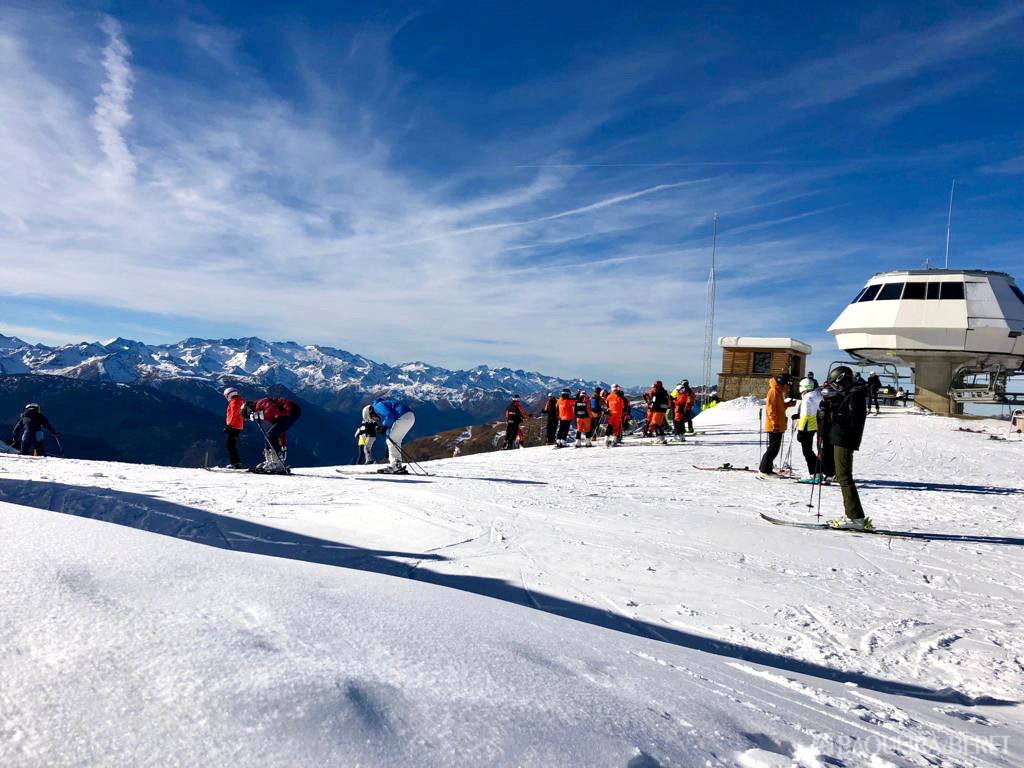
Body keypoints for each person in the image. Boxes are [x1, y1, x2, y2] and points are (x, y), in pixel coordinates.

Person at [819, 365, 872, 530]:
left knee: (844, 477)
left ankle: (855, 517)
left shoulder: (855, 394)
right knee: (843, 477)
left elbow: (849, 417)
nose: (837, 387)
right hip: (842, 438)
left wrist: (831, 411)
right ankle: (854, 515)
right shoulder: (852, 393)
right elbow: (843, 406)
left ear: (843, 379)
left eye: (837, 384)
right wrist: (829, 406)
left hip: (845, 439)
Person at [243, 396, 302, 472]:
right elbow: (280, 431)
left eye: (250, 417)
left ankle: (276, 462)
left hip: (290, 411)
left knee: (270, 435)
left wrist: (259, 415)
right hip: (291, 412)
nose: (253, 419)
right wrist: (283, 445)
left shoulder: (260, 404)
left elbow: (273, 409)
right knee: (271, 435)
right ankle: (272, 461)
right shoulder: (264, 411)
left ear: (250, 410)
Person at [758, 373, 796, 476]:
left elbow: (779, 408)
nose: (788, 386)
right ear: (782, 383)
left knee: (774, 448)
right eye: (787, 384)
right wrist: (774, 423)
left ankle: (767, 469)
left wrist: (788, 404)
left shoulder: (778, 392)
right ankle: (764, 470)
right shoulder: (773, 391)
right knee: (773, 448)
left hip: (778, 425)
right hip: (774, 426)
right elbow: (771, 409)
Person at [371, 396, 416, 473]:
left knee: (393, 441)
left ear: (371, 412)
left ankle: (395, 466)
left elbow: (390, 415)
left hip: (403, 417)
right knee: (395, 440)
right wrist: (387, 448)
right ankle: (397, 465)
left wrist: (384, 427)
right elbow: (389, 432)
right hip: (410, 417)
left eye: (372, 418)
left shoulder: (377, 406)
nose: (375, 420)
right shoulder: (384, 406)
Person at [793, 377, 823, 482]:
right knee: (809, 451)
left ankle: (814, 474)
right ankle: (818, 472)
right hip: (813, 426)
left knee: (807, 452)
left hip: (806, 427)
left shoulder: (807, 397)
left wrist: (800, 431)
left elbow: (806, 414)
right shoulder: (817, 395)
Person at [222, 387, 244, 468]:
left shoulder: (234, 402)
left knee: (230, 445)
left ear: (229, 395)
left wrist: (229, 425)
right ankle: (236, 463)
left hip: (234, 426)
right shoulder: (238, 401)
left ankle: (235, 463)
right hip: (237, 426)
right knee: (231, 445)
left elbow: (234, 414)